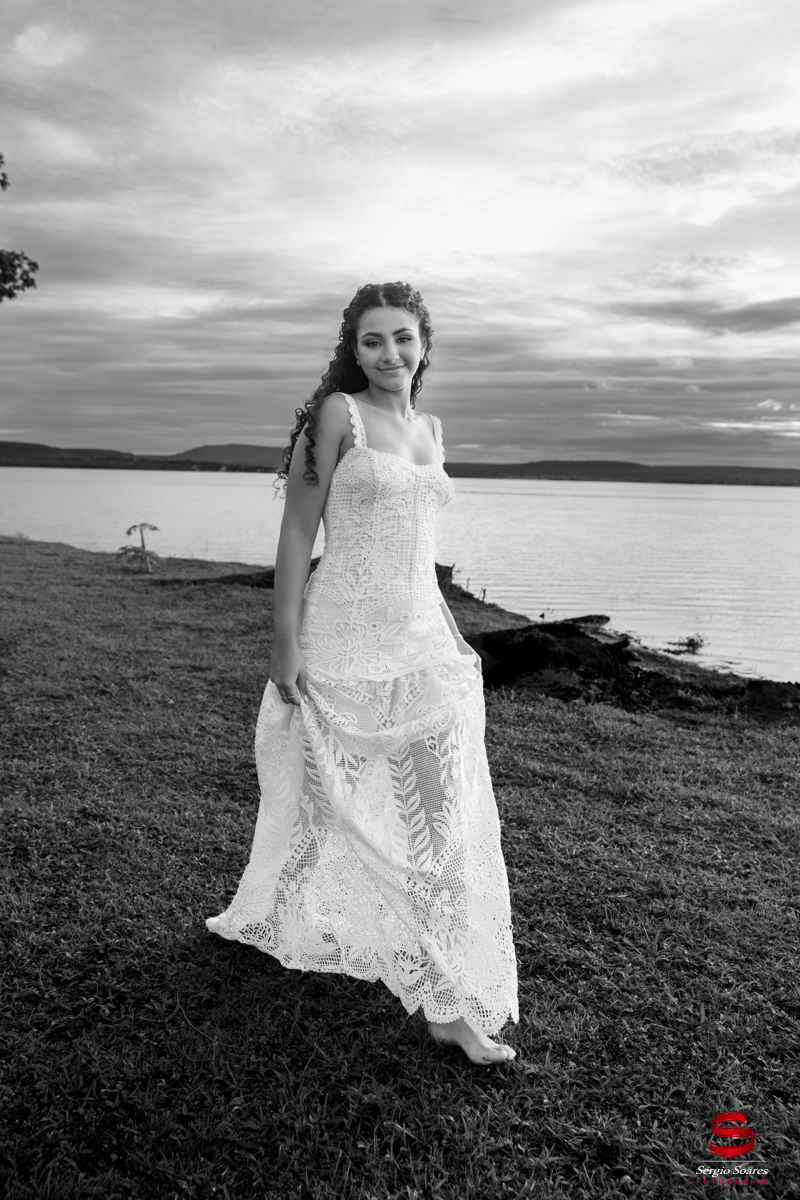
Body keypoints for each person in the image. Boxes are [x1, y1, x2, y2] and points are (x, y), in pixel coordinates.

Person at [207, 281, 518, 1065]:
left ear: (424, 343)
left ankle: (437, 986)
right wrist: (284, 643)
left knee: (439, 818)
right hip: (343, 639)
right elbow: (296, 532)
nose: (390, 352)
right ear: (353, 348)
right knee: (328, 802)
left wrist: (453, 636)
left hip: (422, 644)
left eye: (403, 337)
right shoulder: (337, 416)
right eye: (373, 339)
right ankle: (292, 919)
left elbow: (419, 554)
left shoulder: (432, 428)